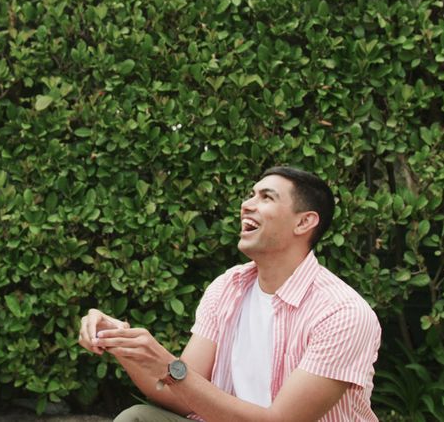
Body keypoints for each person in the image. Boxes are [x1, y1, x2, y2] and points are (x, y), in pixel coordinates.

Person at [79, 166, 382, 422]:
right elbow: (181, 396)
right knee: (137, 419)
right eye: (251, 195)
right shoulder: (229, 286)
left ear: (304, 222)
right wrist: (121, 344)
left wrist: (168, 366)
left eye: (266, 198)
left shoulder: (343, 314)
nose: (247, 204)